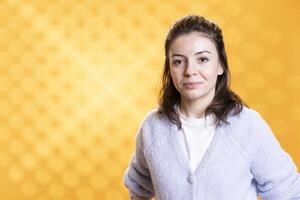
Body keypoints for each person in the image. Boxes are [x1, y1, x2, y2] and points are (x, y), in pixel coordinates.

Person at [122, 14, 300, 200]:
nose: (190, 71)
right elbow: (138, 188)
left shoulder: (248, 126)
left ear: (220, 65)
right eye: (178, 61)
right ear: (169, 69)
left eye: (203, 59)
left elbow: (289, 192)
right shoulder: (152, 128)